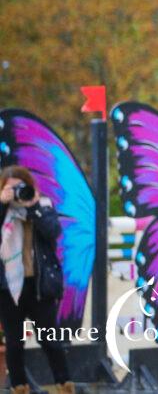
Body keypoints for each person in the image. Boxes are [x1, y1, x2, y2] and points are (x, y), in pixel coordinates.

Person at [0, 166, 72, 394]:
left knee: (50, 340)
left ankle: (64, 385)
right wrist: (2, 205)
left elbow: (53, 233)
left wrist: (33, 209)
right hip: (8, 288)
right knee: (13, 343)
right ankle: (19, 388)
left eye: (21, 187)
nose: (17, 193)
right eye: (11, 188)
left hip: (39, 286)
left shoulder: (43, 207)